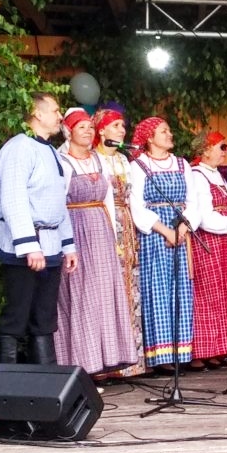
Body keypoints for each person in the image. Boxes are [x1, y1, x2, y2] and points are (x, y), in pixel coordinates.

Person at [0, 92, 77, 365]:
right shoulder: (19, 148)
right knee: (17, 315)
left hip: (51, 244)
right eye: (55, 111)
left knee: (45, 317)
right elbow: (13, 198)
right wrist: (29, 246)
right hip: (25, 246)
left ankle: (47, 379)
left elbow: (58, 202)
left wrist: (68, 245)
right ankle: (6, 381)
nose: (60, 116)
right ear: (37, 114)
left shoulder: (50, 151)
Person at [53, 108, 137, 376]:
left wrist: (113, 236)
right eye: (82, 127)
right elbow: (58, 203)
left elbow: (108, 201)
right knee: (81, 296)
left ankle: (106, 360)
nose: (88, 131)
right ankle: (82, 364)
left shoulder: (98, 160)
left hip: (100, 230)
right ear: (69, 132)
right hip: (75, 229)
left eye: (90, 127)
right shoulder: (62, 162)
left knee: (103, 294)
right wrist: (65, 242)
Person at [128, 116, 200, 374]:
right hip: (155, 235)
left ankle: (181, 351)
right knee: (157, 290)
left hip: (180, 231)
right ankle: (160, 355)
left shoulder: (182, 164)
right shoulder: (139, 165)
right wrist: (165, 230)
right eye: (163, 131)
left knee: (181, 290)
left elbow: (193, 201)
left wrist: (183, 226)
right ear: (149, 138)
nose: (170, 135)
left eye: (169, 130)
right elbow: (136, 205)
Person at [188, 131, 227, 369]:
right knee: (207, 295)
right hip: (209, 239)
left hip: (225, 241)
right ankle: (202, 351)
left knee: (225, 294)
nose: (225, 151)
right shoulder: (197, 175)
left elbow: (226, 208)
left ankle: (221, 349)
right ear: (205, 150)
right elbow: (204, 216)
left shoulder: (217, 175)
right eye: (221, 147)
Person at [93, 108, 147, 378]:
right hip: (104, 224)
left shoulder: (125, 160)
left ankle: (128, 362)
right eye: (115, 125)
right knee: (105, 291)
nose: (121, 130)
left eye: (123, 126)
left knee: (129, 288)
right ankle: (104, 362)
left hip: (126, 225)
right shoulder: (94, 159)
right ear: (101, 129)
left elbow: (134, 199)